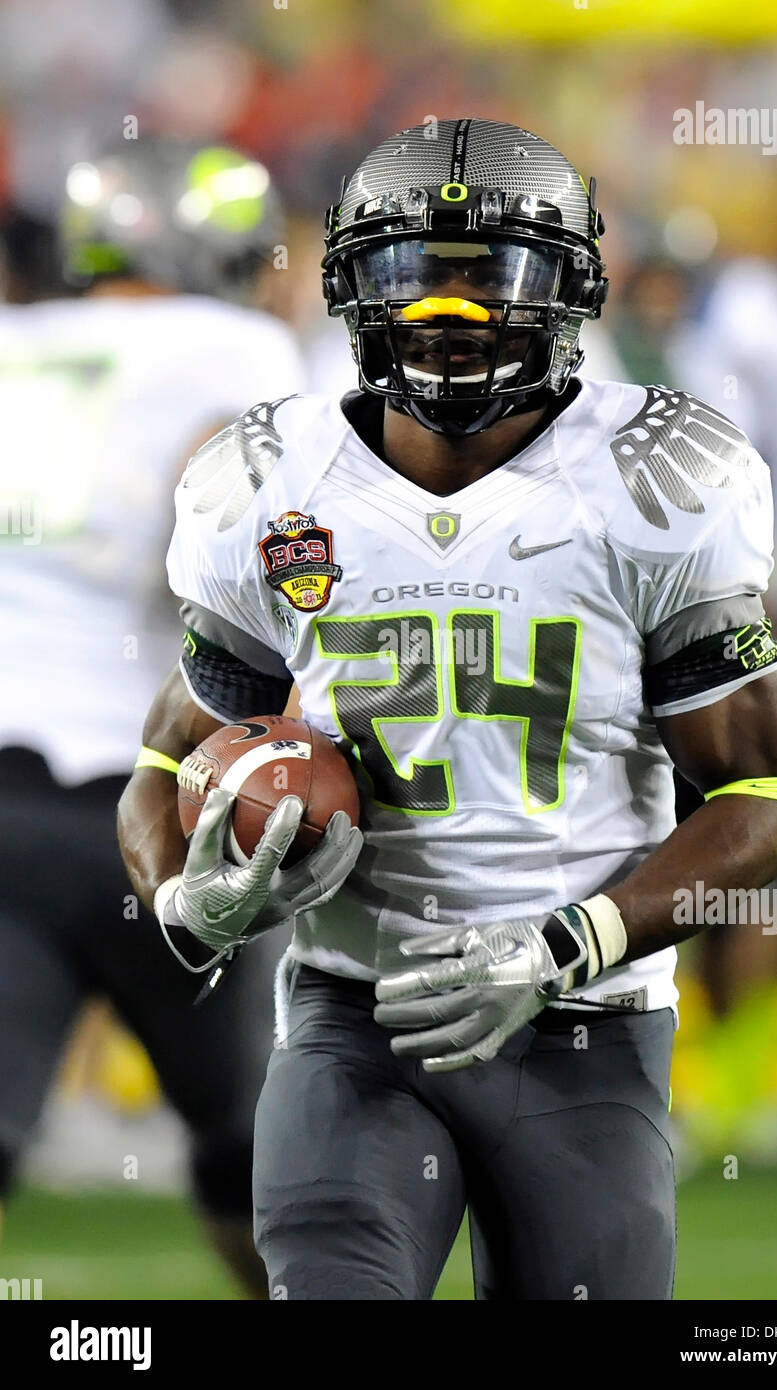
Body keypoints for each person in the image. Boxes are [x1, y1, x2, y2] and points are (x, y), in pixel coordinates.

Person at [119, 118, 777, 1301]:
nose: (450, 313)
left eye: (491, 273)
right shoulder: (269, 482)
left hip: (584, 1029)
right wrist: (186, 897)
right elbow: (164, 759)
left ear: (570, 286)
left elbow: (764, 796)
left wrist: (561, 945)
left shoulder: (652, 474)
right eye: (412, 274)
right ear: (349, 287)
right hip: (353, 1020)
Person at [0, 137, 304, 1294]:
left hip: (4, 790)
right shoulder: (231, 348)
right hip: (158, 795)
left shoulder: (14, 341)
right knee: (265, 1153)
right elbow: (228, 555)